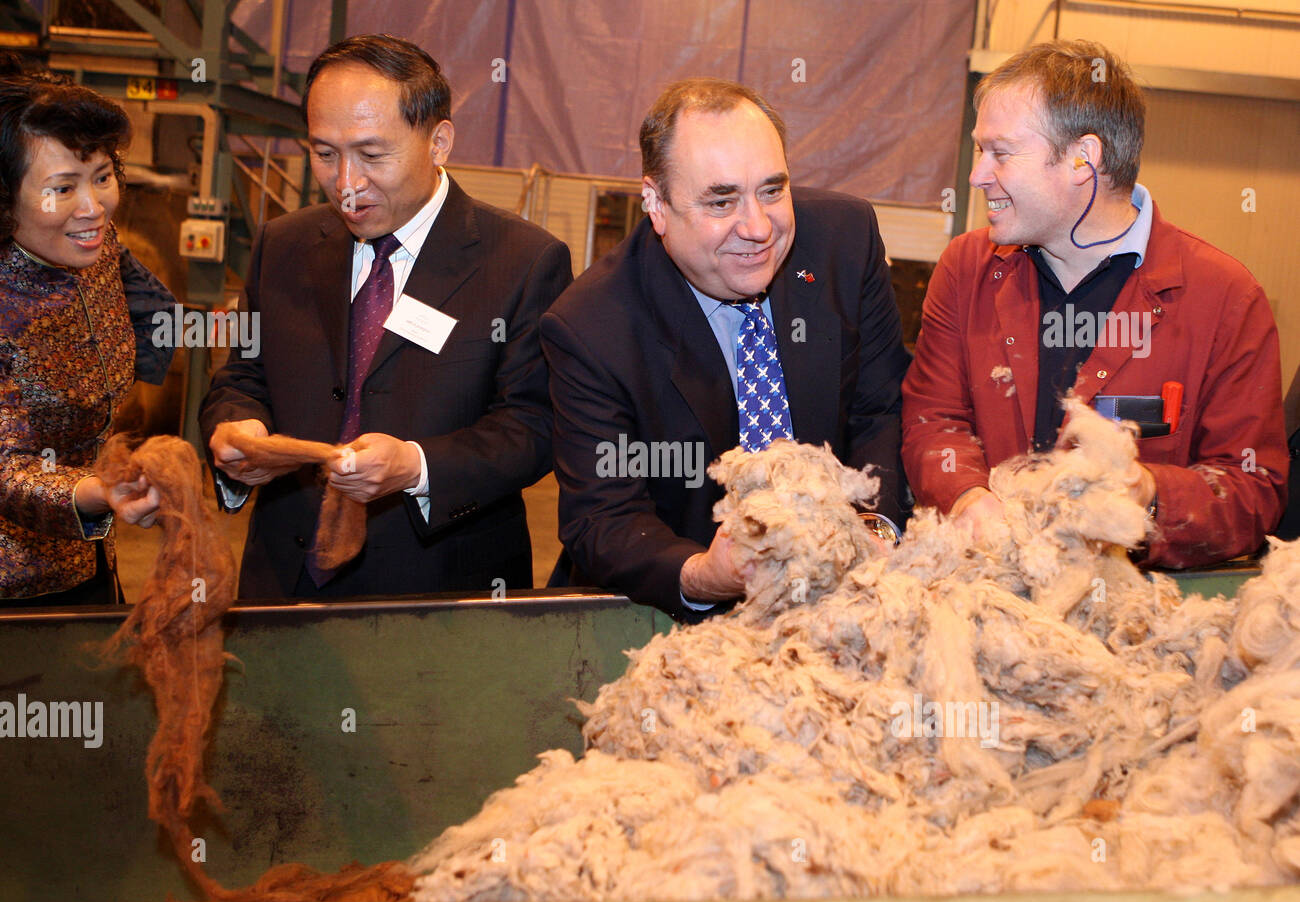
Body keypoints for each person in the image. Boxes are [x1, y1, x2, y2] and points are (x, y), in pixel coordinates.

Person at [200, 35, 572, 599]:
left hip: (440, 594)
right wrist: (239, 430)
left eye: (373, 155)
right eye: (325, 154)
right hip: (283, 581)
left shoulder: (523, 261)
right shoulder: (284, 245)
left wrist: (417, 467)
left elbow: (535, 425)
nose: (347, 185)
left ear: (438, 141)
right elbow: (243, 376)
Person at [902, 40, 1286, 565]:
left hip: (1134, 616)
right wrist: (968, 498)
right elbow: (934, 418)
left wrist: (1147, 496)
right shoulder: (968, 270)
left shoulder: (1225, 299)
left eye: (1001, 153)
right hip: (986, 593)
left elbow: (1250, 490)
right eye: (979, 149)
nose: (977, 175)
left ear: (1084, 159)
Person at [541, 78, 910, 622]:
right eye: (721, 201)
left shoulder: (844, 241)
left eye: (771, 190)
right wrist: (704, 575)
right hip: (670, 617)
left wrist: (875, 530)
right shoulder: (591, 327)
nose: (758, 228)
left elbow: (880, 409)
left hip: (842, 598)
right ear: (656, 203)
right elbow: (604, 517)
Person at [0, 70, 167, 605]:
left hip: (93, 558)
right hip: (16, 589)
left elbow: (154, 309)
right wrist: (98, 491)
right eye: (63, 188)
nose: (93, 207)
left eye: (102, 176)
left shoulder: (95, 246)